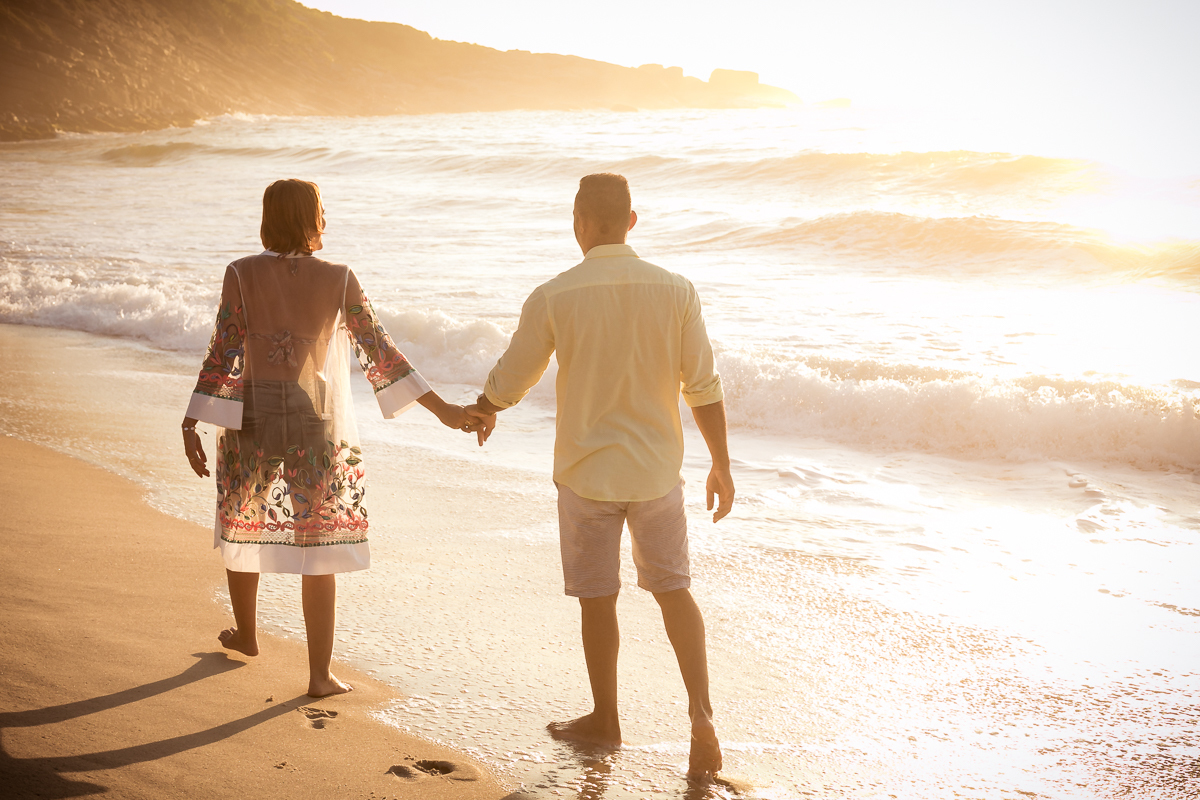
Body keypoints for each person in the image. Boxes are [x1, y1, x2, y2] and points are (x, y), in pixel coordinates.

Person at [465, 173, 734, 780]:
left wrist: (484, 408)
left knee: (598, 599)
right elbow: (704, 385)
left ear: (579, 222)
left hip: (586, 474)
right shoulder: (677, 290)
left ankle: (606, 719)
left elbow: (515, 375)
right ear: (632, 221)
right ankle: (701, 718)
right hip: (657, 472)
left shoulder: (556, 294)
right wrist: (720, 463)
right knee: (673, 591)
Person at [182, 179, 478, 698]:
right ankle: (319, 676)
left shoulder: (240, 273)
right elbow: (380, 353)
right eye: (321, 210)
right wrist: (445, 412)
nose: (327, 217)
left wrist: (192, 420)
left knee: (241, 525)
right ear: (307, 218)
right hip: (310, 417)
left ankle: (248, 634)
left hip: (250, 417)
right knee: (317, 547)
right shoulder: (339, 279)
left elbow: (224, 351)